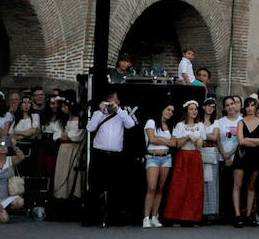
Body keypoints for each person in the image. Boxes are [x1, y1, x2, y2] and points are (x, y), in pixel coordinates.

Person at [85, 91, 136, 227]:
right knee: (94, 186)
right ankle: (91, 217)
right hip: (99, 154)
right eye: (109, 100)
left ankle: (114, 217)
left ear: (118, 102)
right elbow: (90, 128)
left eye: (114, 100)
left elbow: (131, 124)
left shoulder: (122, 114)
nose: (111, 103)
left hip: (115, 156)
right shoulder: (98, 114)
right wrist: (100, 111)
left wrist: (118, 110)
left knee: (115, 187)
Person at [164, 99, 205, 226]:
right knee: (179, 186)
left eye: (195, 109)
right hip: (183, 156)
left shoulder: (200, 126)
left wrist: (197, 140)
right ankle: (175, 216)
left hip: (195, 156)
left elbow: (200, 144)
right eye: (191, 109)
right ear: (186, 111)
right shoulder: (180, 125)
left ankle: (191, 217)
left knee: (194, 187)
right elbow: (177, 144)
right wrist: (187, 137)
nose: (194, 111)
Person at [234, 97, 259, 226]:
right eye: (247, 106)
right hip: (242, 155)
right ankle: (237, 215)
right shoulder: (241, 122)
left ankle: (248, 214)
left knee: (252, 185)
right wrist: (254, 141)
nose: (250, 108)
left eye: (252, 105)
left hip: (255, 156)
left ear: (255, 107)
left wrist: (248, 140)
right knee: (238, 185)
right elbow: (240, 141)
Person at [143, 102, 176, 227]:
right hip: (153, 157)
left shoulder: (169, 125)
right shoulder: (151, 122)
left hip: (166, 158)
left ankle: (155, 215)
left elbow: (174, 143)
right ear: (162, 109)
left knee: (160, 188)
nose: (170, 113)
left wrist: (161, 140)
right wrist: (166, 141)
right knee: (151, 187)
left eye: (172, 111)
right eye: (168, 109)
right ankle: (146, 216)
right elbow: (152, 139)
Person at [52, 97, 85, 211]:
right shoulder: (61, 121)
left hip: (74, 149)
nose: (63, 108)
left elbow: (77, 135)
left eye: (65, 106)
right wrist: (66, 136)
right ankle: (61, 199)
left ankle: (74, 199)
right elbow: (56, 135)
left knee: (72, 174)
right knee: (62, 172)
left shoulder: (79, 120)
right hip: (64, 150)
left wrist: (67, 135)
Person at [216, 95, 241, 220]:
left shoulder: (241, 121)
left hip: (237, 159)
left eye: (232, 104)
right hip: (222, 158)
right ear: (224, 108)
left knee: (236, 186)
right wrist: (224, 156)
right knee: (224, 187)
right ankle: (223, 213)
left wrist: (230, 154)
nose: (230, 107)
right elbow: (218, 140)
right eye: (227, 105)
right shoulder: (220, 122)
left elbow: (240, 141)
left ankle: (234, 213)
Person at [200, 97, 220, 222]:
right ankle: (200, 210)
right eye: (208, 106)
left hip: (211, 152)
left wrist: (202, 134)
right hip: (200, 151)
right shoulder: (199, 121)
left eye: (213, 107)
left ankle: (211, 211)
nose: (210, 109)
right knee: (200, 182)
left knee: (211, 183)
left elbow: (214, 137)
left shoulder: (215, 122)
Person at [0, 136, 25, 222]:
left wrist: (13, 146)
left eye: (5, 146)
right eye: (0, 146)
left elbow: (21, 157)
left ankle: (3, 209)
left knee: (20, 202)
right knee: (4, 219)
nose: (3, 148)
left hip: (6, 196)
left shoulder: (10, 160)